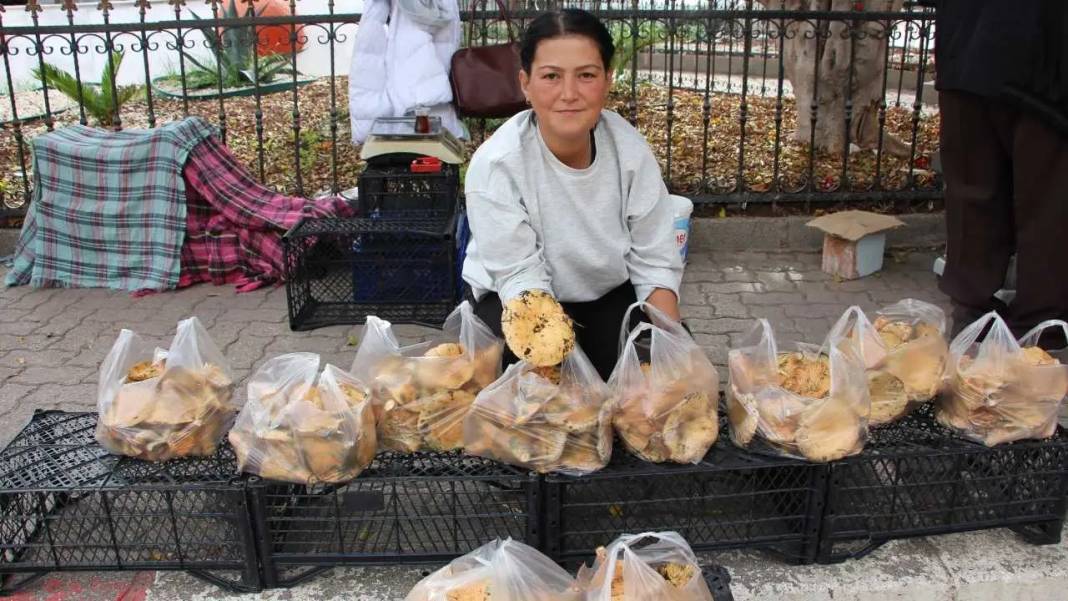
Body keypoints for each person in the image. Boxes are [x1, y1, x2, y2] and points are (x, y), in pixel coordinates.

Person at [461, 9, 684, 380]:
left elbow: (655, 263)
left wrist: (676, 346)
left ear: (607, 80)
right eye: (551, 76)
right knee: (536, 398)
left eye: (586, 76)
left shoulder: (629, 150)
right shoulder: (497, 164)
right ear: (525, 83)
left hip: (605, 296)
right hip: (516, 302)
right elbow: (519, 276)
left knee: (656, 380)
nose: (569, 94)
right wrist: (560, 373)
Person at [931, 0, 1068, 348]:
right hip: (1043, 60)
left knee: (973, 193)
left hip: (968, 53)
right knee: (1046, 205)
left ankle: (970, 303)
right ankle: (1040, 322)